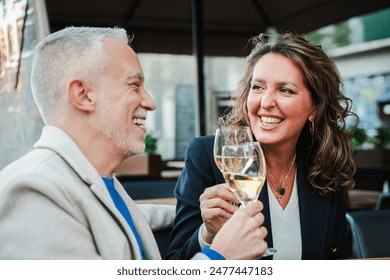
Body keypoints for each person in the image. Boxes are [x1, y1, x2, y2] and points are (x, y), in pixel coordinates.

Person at [0, 26, 268, 260]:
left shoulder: (101, 184)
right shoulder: (32, 189)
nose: (150, 102)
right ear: (82, 95)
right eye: (134, 85)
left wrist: (204, 220)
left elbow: (142, 217)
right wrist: (219, 257)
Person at [166, 32, 357, 260]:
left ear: (314, 108)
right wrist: (207, 234)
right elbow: (175, 264)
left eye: (285, 90)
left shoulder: (324, 165)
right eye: (258, 87)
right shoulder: (208, 156)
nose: (266, 103)